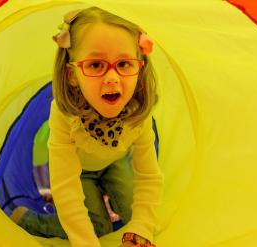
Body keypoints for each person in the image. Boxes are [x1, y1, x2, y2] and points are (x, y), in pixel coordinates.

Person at [9, 7, 163, 247]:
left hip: (114, 162)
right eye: (95, 65)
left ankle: (112, 209)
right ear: (72, 75)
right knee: (98, 227)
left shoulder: (137, 112)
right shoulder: (64, 115)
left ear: (139, 67)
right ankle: (30, 220)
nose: (112, 78)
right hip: (79, 172)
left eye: (124, 63)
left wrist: (141, 228)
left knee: (139, 214)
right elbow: (66, 189)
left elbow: (149, 177)